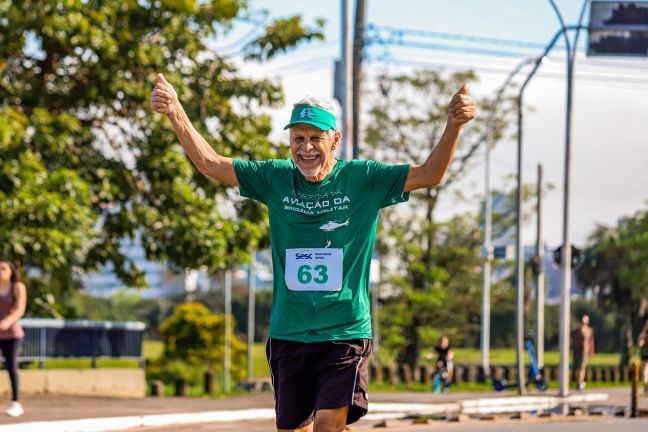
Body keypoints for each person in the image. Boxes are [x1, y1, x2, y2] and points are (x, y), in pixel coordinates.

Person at [150, 73, 475, 432]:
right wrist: (175, 111)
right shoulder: (274, 178)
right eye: (297, 139)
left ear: (334, 140)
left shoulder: (363, 179)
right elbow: (210, 163)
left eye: (315, 139)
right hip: (289, 332)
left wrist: (454, 125)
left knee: (327, 427)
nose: (305, 148)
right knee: (294, 429)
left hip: (344, 332)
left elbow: (430, 173)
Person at [0, 261, 27, 417]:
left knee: (11, 367)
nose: (0, 271)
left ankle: (15, 403)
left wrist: (7, 321)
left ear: (10, 271)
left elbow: (20, 309)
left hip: (12, 334)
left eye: (3, 268)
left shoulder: (17, 287)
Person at [571, 314, 595, 391]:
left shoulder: (589, 330)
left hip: (584, 351)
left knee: (582, 367)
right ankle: (577, 381)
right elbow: (571, 340)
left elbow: (591, 342)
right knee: (576, 367)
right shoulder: (575, 330)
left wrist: (591, 352)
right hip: (576, 351)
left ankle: (580, 382)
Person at [638, 321, 648, 394]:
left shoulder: (643, 333)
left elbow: (640, 344)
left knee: (645, 371)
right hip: (645, 354)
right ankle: (645, 385)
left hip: (644, 354)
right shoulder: (643, 334)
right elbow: (640, 343)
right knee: (645, 371)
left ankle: (645, 385)